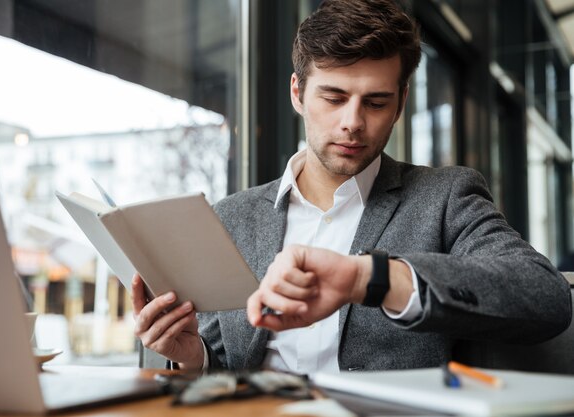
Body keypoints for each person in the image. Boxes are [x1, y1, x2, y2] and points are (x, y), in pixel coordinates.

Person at [131, 0, 572, 374]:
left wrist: (372, 277)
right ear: (297, 94)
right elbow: (229, 367)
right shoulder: (232, 216)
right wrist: (194, 359)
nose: (353, 123)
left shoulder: (445, 197)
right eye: (334, 98)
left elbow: (545, 297)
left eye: (376, 102)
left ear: (400, 104)